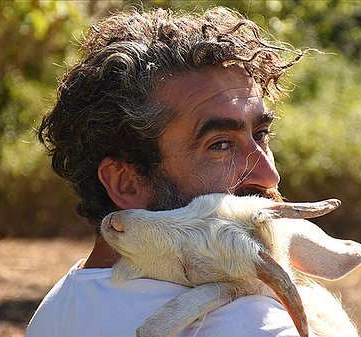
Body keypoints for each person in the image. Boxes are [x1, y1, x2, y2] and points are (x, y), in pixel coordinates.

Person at [26, 6, 306, 337]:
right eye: (219, 145)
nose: (268, 175)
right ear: (126, 182)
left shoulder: (59, 309)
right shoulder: (245, 322)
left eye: (261, 135)